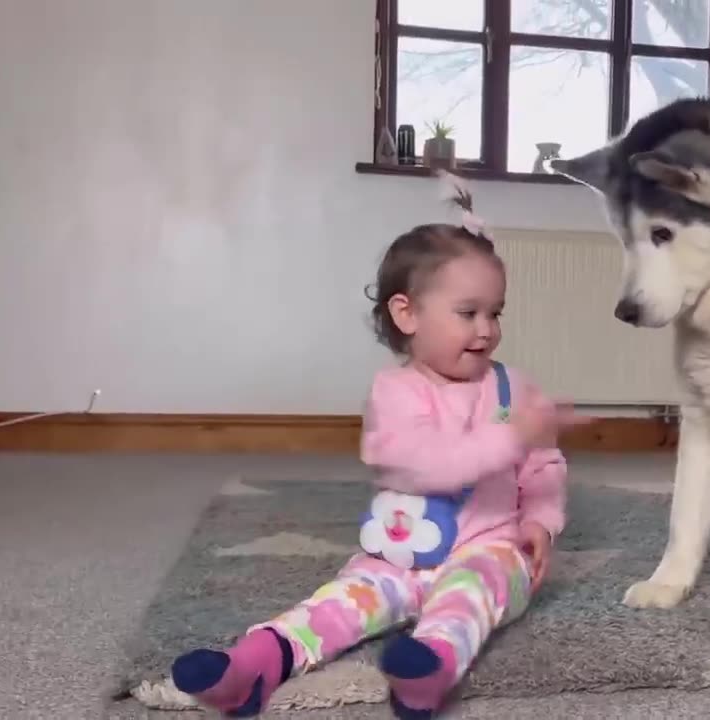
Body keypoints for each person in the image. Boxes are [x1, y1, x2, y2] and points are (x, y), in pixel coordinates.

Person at [168, 171, 588, 718]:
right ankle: (258, 660)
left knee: (470, 597)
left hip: (489, 547)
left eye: (495, 312)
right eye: (468, 313)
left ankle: (428, 669)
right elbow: (430, 467)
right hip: (398, 552)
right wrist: (513, 436)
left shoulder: (514, 390)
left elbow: (543, 465)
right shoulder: (393, 395)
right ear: (406, 313)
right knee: (340, 601)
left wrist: (540, 520)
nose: (486, 329)